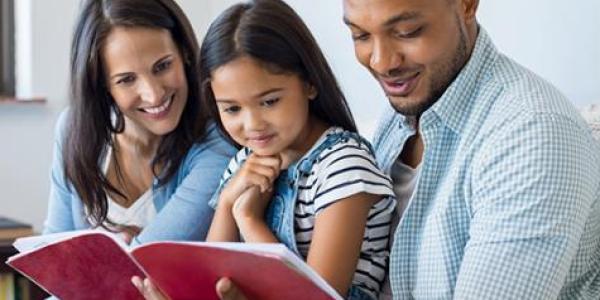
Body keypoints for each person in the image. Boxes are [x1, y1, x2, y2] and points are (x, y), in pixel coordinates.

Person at [160, 0, 600, 299]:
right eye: (359, 35)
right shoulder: (401, 116)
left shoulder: (532, 137)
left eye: (406, 31)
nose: (381, 62)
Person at [132, 0, 396, 299]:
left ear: (309, 83)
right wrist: (229, 198)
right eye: (232, 109)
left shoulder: (343, 165)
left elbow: (319, 296)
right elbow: (209, 284)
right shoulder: (244, 163)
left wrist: (248, 219)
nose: (253, 124)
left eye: (269, 101)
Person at [45, 0, 236, 247]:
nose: (154, 94)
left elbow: (147, 262)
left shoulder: (220, 142)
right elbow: (52, 254)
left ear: (184, 52)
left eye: (163, 66)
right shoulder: (73, 129)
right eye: (126, 80)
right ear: (101, 82)